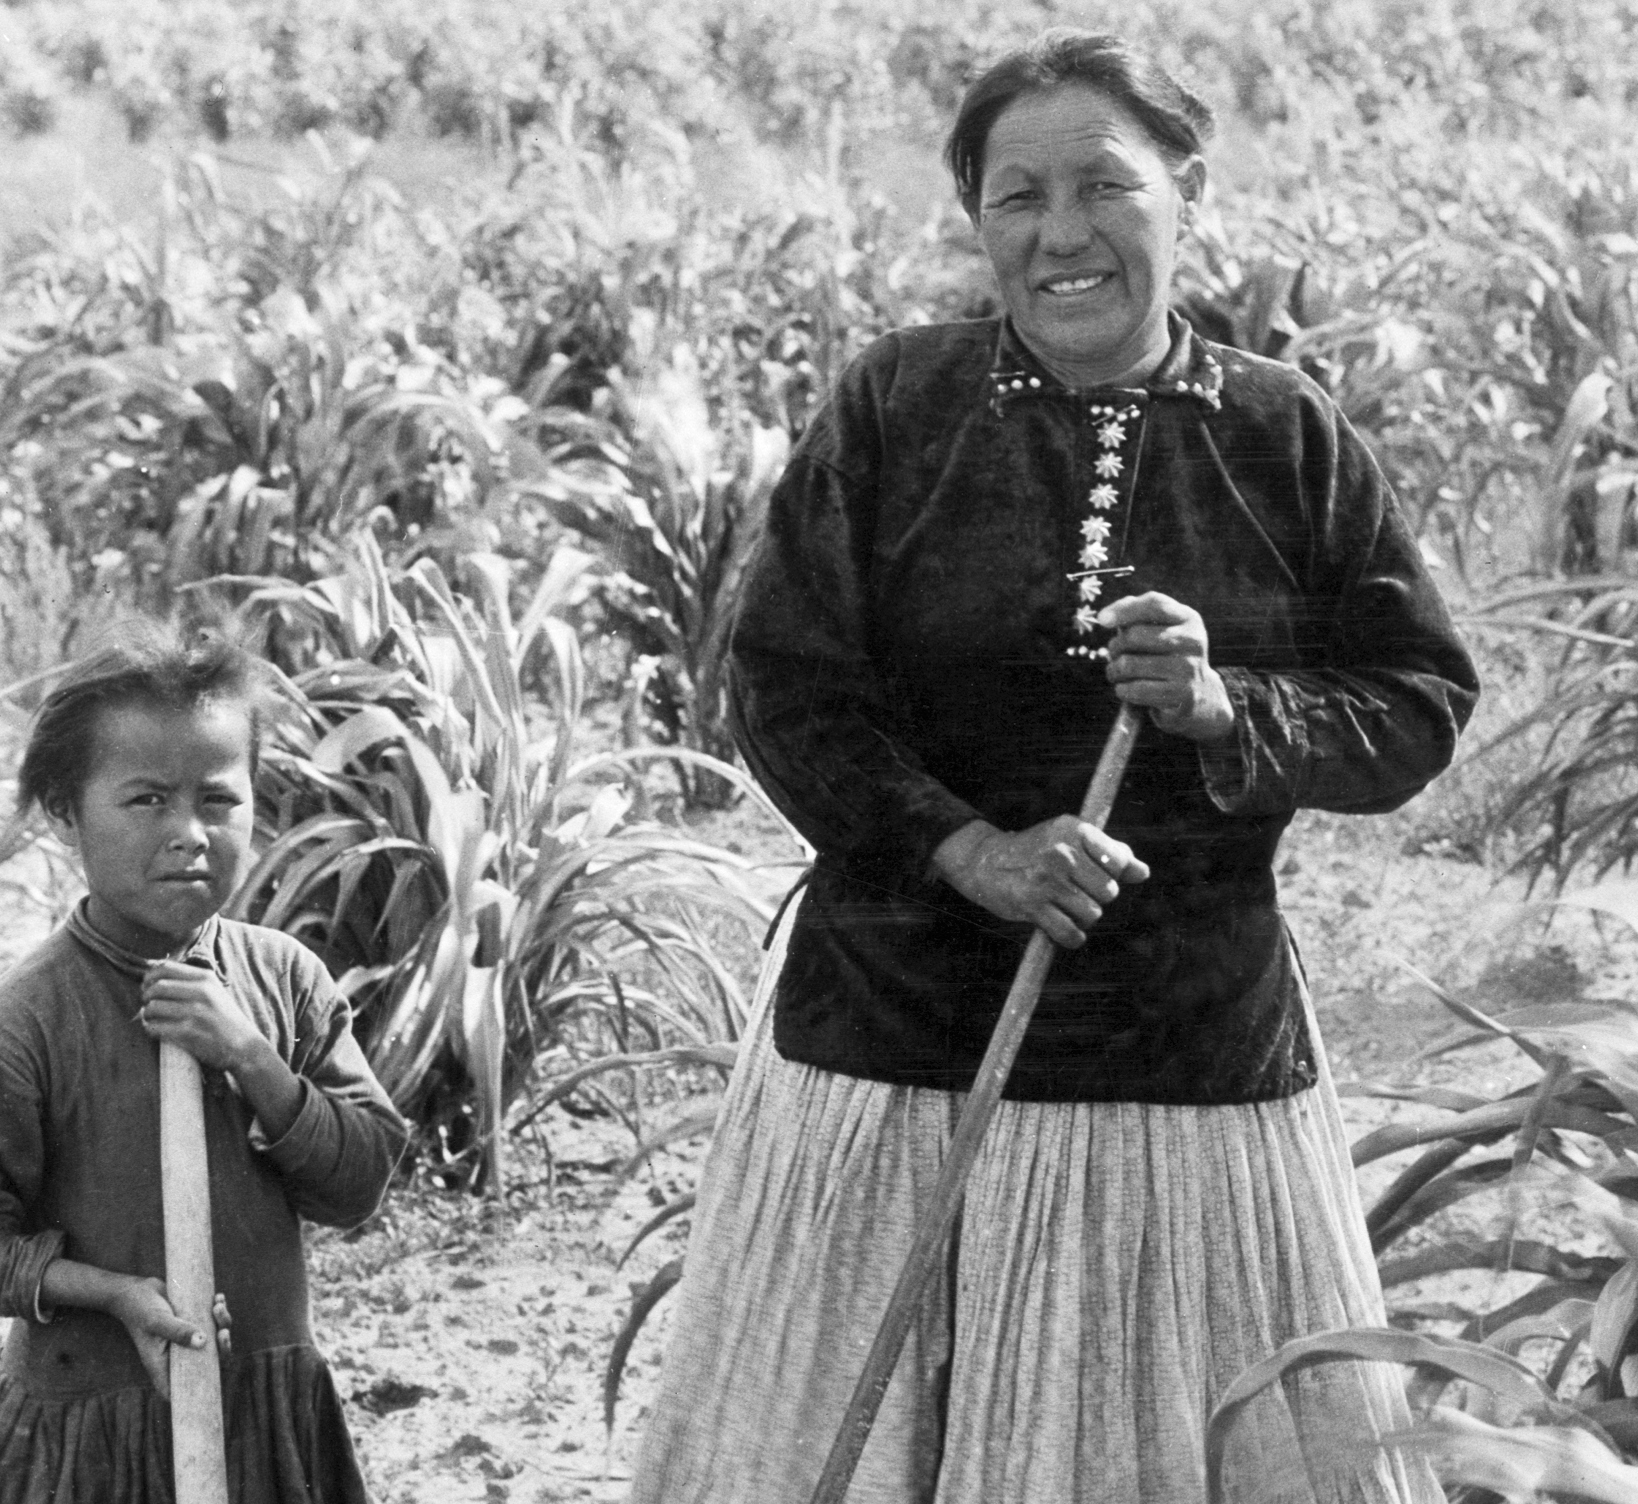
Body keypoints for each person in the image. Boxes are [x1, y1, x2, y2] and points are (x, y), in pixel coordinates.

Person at [625, 27, 1478, 1504]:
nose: (1062, 233)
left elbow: (1415, 706)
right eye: (1017, 198)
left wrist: (1228, 711)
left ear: (1184, 192)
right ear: (976, 223)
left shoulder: (1284, 437)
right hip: (891, 1043)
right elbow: (785, 687)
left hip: (1181, 1062)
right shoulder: (898, 409)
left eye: (1105, 185)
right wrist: (972, 852)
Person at [0, 625, 408, 1503]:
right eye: (145, 800)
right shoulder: (23, 1022)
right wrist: (108, 1293)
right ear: (68, 814)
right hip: (84, 1440)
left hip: (261, 1426)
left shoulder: (284, 981)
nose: (188, 834)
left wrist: (253, 1059)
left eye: (218, 801)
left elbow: (357, 1183)